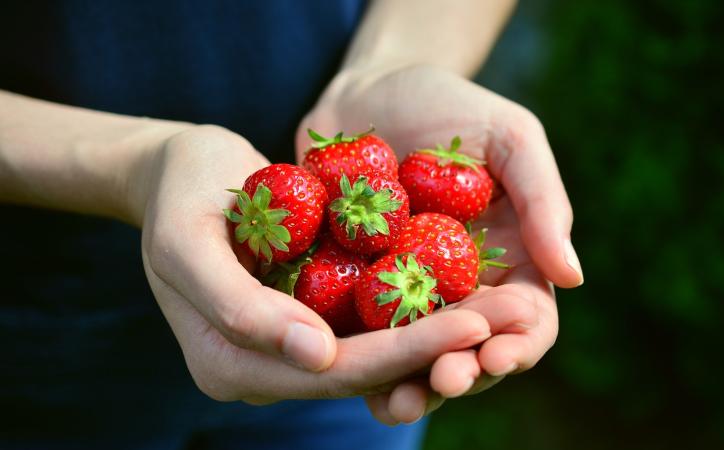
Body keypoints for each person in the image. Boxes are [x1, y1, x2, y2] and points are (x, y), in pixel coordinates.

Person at [0, 0, 583, 448]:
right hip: (44, 335)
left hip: (335, 339)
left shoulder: (364, 261)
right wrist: (136, 166)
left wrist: (396, 60)